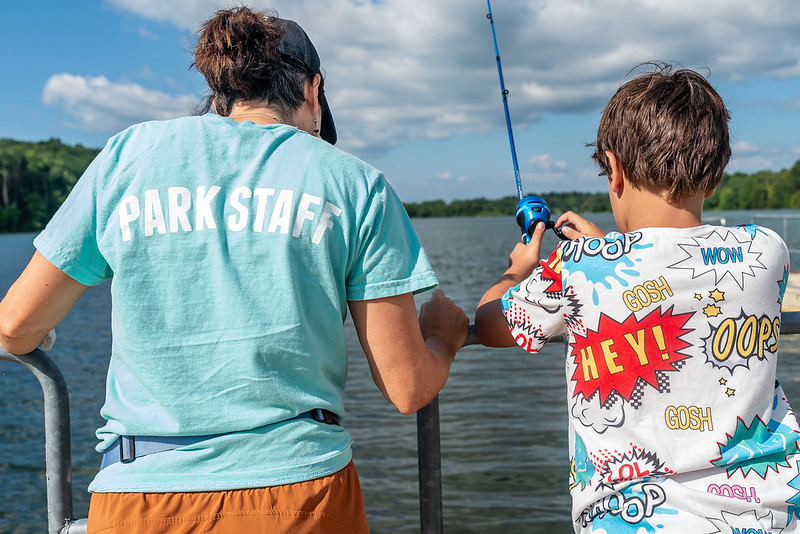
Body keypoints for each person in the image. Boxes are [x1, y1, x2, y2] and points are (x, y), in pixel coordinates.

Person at [0, 7, 468, 533]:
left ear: (221, 94)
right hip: (300, 497)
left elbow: (15, 327)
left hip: (139, 495)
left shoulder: (129, 155)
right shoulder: (356, 183)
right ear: (312, 91)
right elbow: (407, 388)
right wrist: (444, 340)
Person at [475, 63, 800, 533]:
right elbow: (675, 268)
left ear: (617, 171)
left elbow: (491, 325)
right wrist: (612, 251)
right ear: (714, 178)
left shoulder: (580, 265)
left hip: (631, 520)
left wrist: (520, 269)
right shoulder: (767, 250)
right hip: (768, 515)